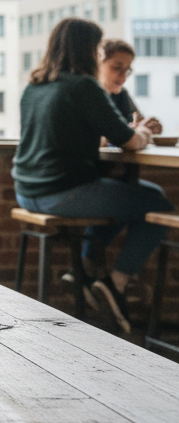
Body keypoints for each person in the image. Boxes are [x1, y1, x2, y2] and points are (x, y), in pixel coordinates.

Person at [12, 18, 174, 334]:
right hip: (63, 193)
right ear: (87, 49)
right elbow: (130, 141)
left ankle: (84, 271)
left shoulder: (35, 86)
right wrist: (142, 131)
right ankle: (115, 283)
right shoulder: (85, 87)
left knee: (125, 197)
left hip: (26, 191)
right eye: (98, 47)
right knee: (159, 205)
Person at [98, 38, 162, 133]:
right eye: (117, 68)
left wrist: (146, 126)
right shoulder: (86, 96)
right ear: (97, 64)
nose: (124, 76)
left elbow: (137, 122)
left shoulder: (121, 94)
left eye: (127, 70)